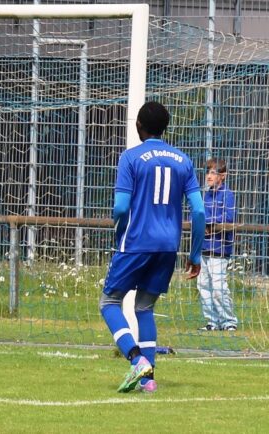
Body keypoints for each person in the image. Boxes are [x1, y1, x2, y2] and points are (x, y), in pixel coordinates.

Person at [99, 101, 205, 393]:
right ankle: (148, 380)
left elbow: (121, 207)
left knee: (109, 303)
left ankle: (136, 359)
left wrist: (120, 232)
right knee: (144, 307)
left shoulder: (131, 157)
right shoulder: (183, 160)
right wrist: (195, 254)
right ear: (165, 127)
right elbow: (198, 211)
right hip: (168, 247)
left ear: (138, 126)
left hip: (136, 242)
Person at [197, 157, 238, 332]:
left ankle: (229, 321)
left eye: (213, 173)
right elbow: (199, 215)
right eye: (208, 172)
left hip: (220, 249)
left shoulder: (227, 195)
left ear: (223, 175)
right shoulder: (206, 195)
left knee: (219, 287)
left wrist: (209, 222)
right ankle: (212, 321)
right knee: (203, 286)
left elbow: (228, 218)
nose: (209, 176)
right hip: (204, 247)